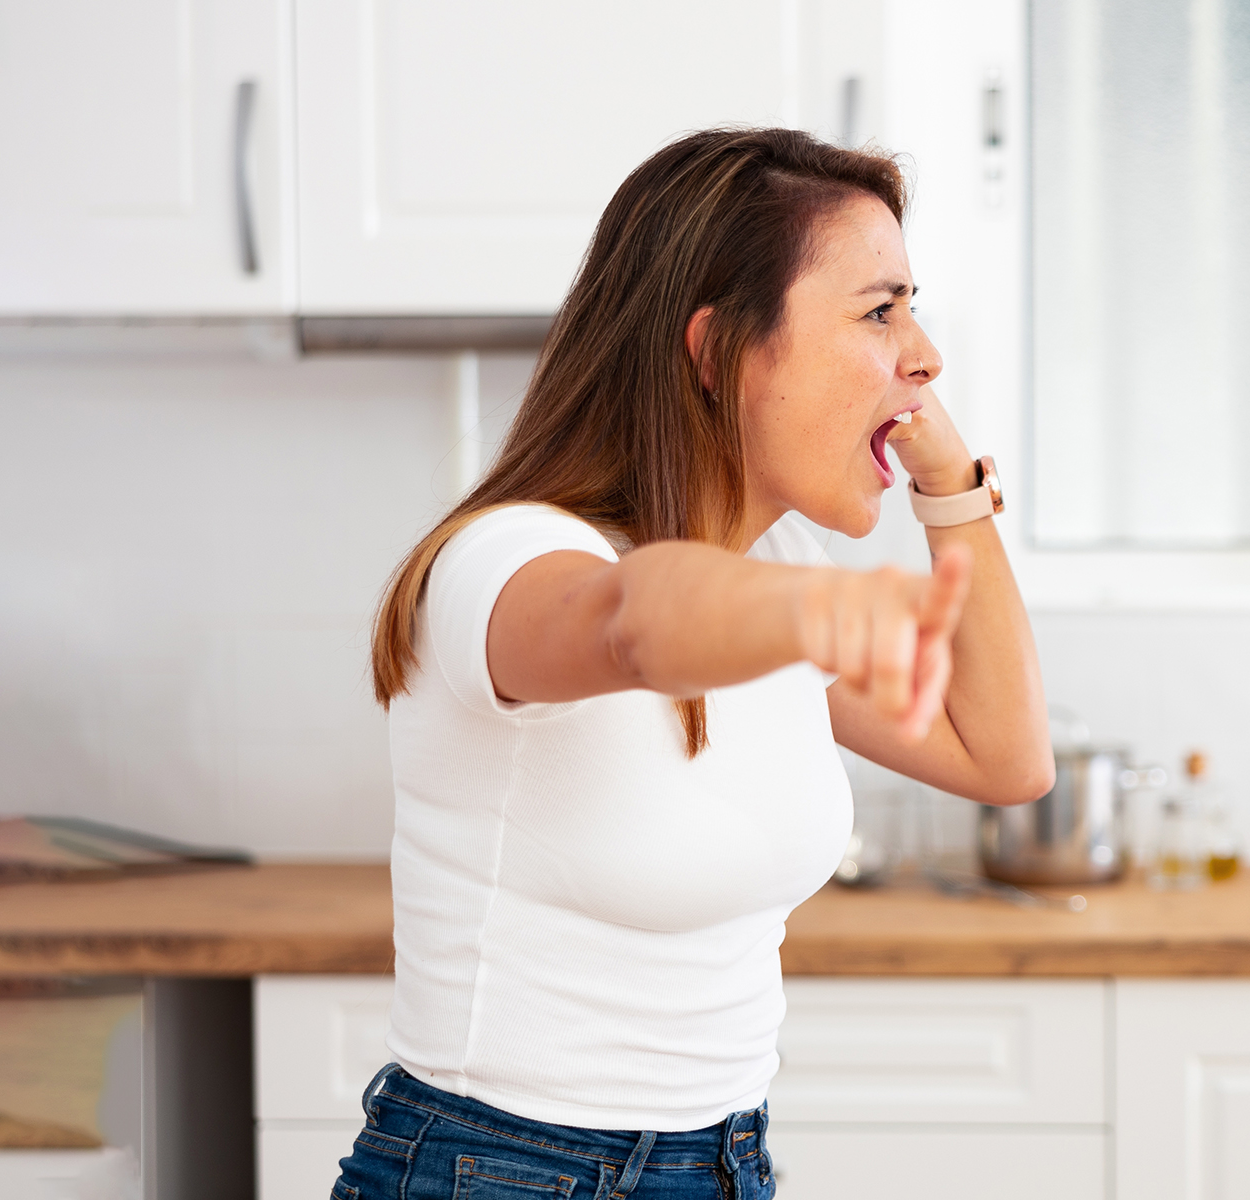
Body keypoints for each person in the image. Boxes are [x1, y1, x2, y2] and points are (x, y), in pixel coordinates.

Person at [339, 128, 1051, 1198]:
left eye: (913, 308)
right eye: (878, 311)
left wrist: (949, 486)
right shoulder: (510, 560)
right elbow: (632, 622)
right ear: (717, 351)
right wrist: (820, 612)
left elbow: (1006, 760)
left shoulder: (777, 566)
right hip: (501, 1172)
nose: (925, 354)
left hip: (721, 1162)